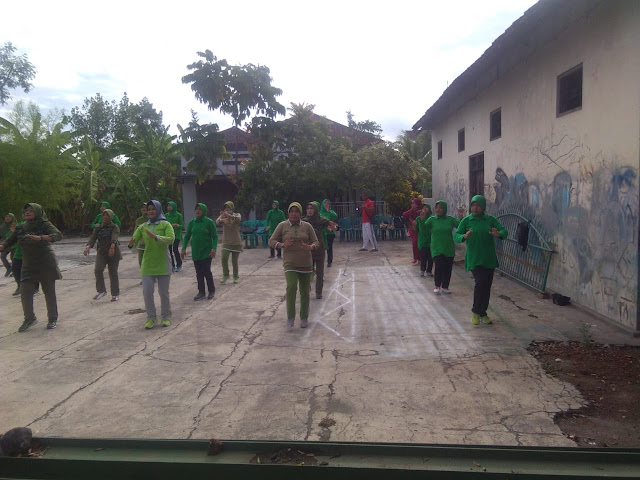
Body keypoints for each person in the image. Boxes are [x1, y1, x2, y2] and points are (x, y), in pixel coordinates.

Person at [0, 203, 62, 332]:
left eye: (31, 210)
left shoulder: (44, 224)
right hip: (28, 264)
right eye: (26, 210)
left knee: (49, 292)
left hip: (45, 263)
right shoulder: (20, 227)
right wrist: (3, 246)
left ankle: (52, 318)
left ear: (38, 212)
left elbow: (58, 235)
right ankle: (29, 318)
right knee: (25, 292)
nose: (27, 212)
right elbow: (9, 240)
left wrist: (41, 238)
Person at [454, 195, 508, 325]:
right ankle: (475, 311)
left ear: (483, 206)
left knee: (487, 286)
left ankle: (483, 312)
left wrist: (499, 234)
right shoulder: (466, 221)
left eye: (478, 205)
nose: (475, 208)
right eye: (473, 205)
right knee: (480, 283)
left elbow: (504, 231)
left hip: (488, 258)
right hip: (474, 257)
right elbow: (456, 235)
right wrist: (464, 236)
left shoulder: (490, 220)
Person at [268, 202, 320, 328]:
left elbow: (316, 242)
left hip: (306, 264)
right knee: (291, 287)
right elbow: (271, 241)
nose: (294, 214)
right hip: (290, 263)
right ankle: (290, 316)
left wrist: (310, 247)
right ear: (288, 213)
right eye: (291, 211)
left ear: (300, 213)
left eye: (296, 211)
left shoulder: (307, 226)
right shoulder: (282, 225)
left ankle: (304, 317)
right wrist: (282, 245)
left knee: (305, 291)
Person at [129, 200, 174, 329]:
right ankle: (151, 317)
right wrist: (131, 243)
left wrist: (156, 237)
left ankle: (165, 317)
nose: (151, 211)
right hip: (147, 264)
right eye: (149, 209)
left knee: (163, 293)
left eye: (153, 209)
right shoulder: (142, 227)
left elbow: (171, 239)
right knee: (147, 292)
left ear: (158, 210)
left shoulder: (165, 224)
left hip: (163, 263)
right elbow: (134, 241)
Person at [181, 203, 218, 301]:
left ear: (204, 211)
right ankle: (201, 292)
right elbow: (187, 236)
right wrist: (183, 248)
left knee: (206, 271)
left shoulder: (209, 222)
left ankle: (211, 290)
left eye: (200, 209)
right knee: (199, 273)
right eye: (196, 209)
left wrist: (213, 248)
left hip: (207, 252)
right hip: (196, 252)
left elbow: (215, 237)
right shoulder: (192, 222)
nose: (197, 211)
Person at [84, 209, 121, 302]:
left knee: (113, 273)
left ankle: (115, 294)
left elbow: (114, 238)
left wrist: (112, 247)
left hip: (113, 252)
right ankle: (101, 291)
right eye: (103, 215)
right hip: (102, 251)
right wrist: (88, 247)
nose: (105, 217)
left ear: (111, 217)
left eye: (107, 215)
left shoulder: (114, 227)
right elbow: (93, 238)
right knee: (98, 270)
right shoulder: (98, 227)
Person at [424, 201, 461, 295]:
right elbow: (424, 228)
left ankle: (445, 286)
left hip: (448, 247)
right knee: (438, 266)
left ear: (444, 209)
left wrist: (461, 217)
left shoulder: (450, 219)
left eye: (440, 207)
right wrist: (422, 218)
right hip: (436, 247)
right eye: (437, 207)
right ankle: (437, 285)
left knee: (448, 268)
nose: (438, 209)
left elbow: (460, 226)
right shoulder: (432, 219)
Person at [303, 202, 337, 299]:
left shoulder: (321, 220)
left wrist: (332, 227)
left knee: (320, 272)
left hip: (319, 248)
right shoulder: (304, 222)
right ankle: (306, 290)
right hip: (308, 249)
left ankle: (318, 292)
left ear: (316, 210)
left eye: (312, 208)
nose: (309, 210)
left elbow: (333, 226)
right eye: (308, 208)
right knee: (307, 272)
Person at [216, 201, 242, 284]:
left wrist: (229, 216)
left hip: (236, 242)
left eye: (229, 207)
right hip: (226, 241)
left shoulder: (237, 215)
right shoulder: (223, 216)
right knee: (224, 258)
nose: (227, 209)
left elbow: (238, 219)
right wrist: (222, 220)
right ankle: (226, 275)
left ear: (232, 208)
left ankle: (235, 277)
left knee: (234, 261)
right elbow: (217, 221)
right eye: (226, 207)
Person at [413, 200, 433, 278]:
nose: (425, 209)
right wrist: (414, 226)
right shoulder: (418, 218)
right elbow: (416, 230)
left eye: (426, 207)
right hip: (422, 241)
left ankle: (429, 271)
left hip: (431, 241)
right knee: (423, 257)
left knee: (430, 258)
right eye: (423, 207)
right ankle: (422, 270)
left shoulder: (432, 219)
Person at [165, 201, 184, 273]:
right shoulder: (166, 215)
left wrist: (177, 225)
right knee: (169, 250)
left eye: (170, 206)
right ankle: (172, 265)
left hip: (177, 235)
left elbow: (182, 225)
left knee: (175, 249)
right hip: (169, 235)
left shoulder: (179, 215)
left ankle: (179, 264)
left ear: (174, 207)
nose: (169, 207)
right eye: (168, 206)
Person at [403, 198, 422, 264]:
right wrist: (411, 210)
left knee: (420, 244)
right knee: (414, 243)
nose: (412, 204)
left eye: (413, 203)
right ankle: (415, 258)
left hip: (420, 230)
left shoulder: (421, 211)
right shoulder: (411, 211)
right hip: (413, 230)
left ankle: (420, 258)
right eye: (411, 203)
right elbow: (404, 214)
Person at [320, 199, 338, 267]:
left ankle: (329, 261)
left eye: (328, 203)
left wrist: (328, 211)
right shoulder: (320, 213)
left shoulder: (331, 212)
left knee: (329, 247)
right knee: (321, 247)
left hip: (330, 232)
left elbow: (335, 216)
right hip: (322, 232)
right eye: (325, 203)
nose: (326, 205)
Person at [133, 203, 148, 267]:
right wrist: (133, 243)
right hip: (141, 244)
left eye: (145, 207)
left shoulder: (152, 219)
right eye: (142, 207)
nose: (144, 209)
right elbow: (136, 232)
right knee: (141, 263)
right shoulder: (139, 220)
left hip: (150, 244)